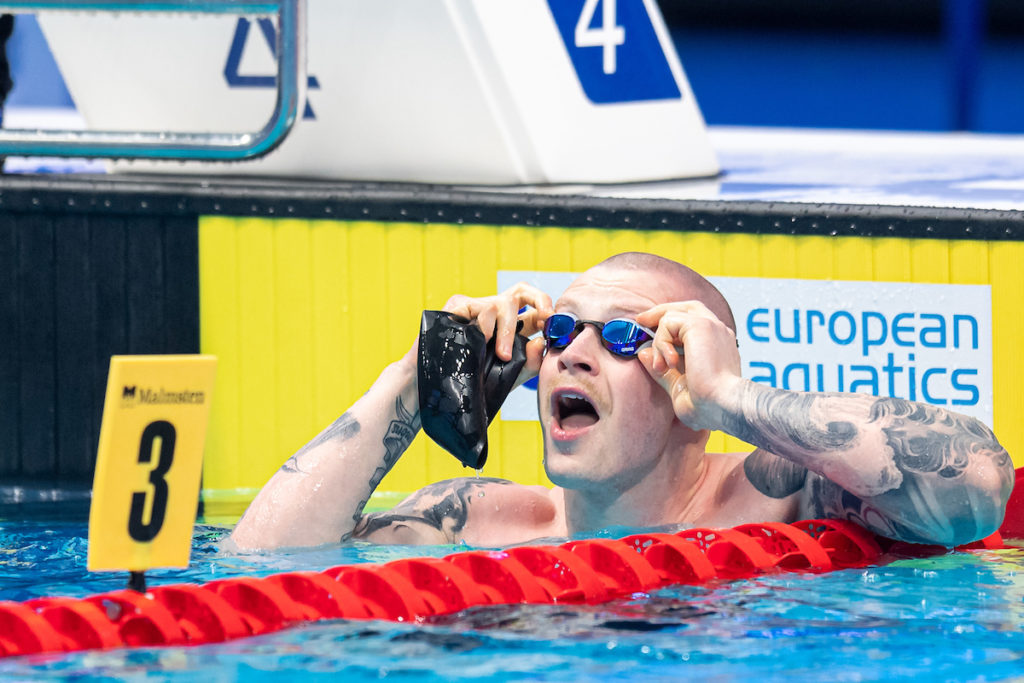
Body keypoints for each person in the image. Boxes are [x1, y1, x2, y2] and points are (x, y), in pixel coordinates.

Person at [229, 252, 1014, 550]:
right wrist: (414, 375)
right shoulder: (477, 519)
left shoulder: (784, 496)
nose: (572, 350)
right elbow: (257, 568)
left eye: (623, 337)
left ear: (685, 384)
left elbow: (978, 485)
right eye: (564, 329)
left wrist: (730, 396)